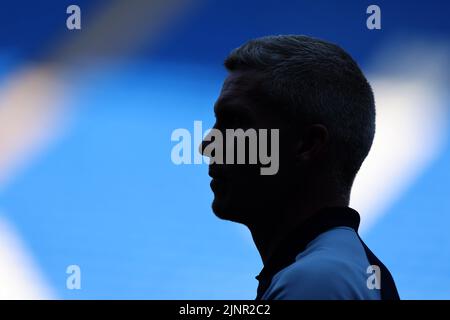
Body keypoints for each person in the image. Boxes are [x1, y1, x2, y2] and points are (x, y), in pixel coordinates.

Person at [200, 35, 399, 300]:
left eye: (236, 122)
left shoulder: (318, 281)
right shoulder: (339, 269)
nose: (207, 145)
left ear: (307, 144)